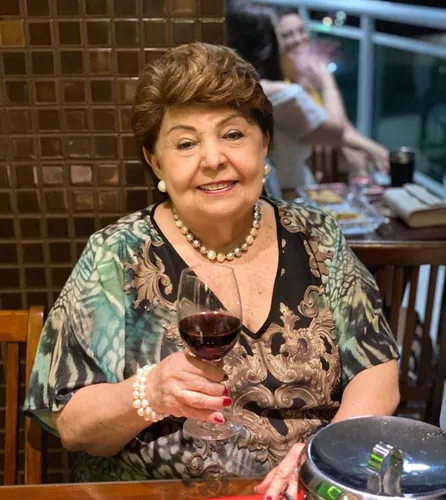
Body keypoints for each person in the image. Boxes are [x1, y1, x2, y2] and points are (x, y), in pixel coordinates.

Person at [23, 43, 400, 499]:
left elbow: (376, 370)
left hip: (302, 489)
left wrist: (325, 454)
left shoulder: (317, 236)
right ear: (155, 161)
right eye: (186, 143)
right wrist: (149, 393)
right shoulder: (117, 254)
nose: (213, 159)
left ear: (264, 143)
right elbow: (72, 425)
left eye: (233, 134)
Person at [226, 4, 390, 192]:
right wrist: (326, 76)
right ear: (268, 42)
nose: (297, 39)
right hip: (286, 192)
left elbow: (333, 128)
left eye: (301, 30)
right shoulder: (282, 92)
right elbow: (335, 129)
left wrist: (365, 155)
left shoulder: (241, 84)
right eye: (284, 35)